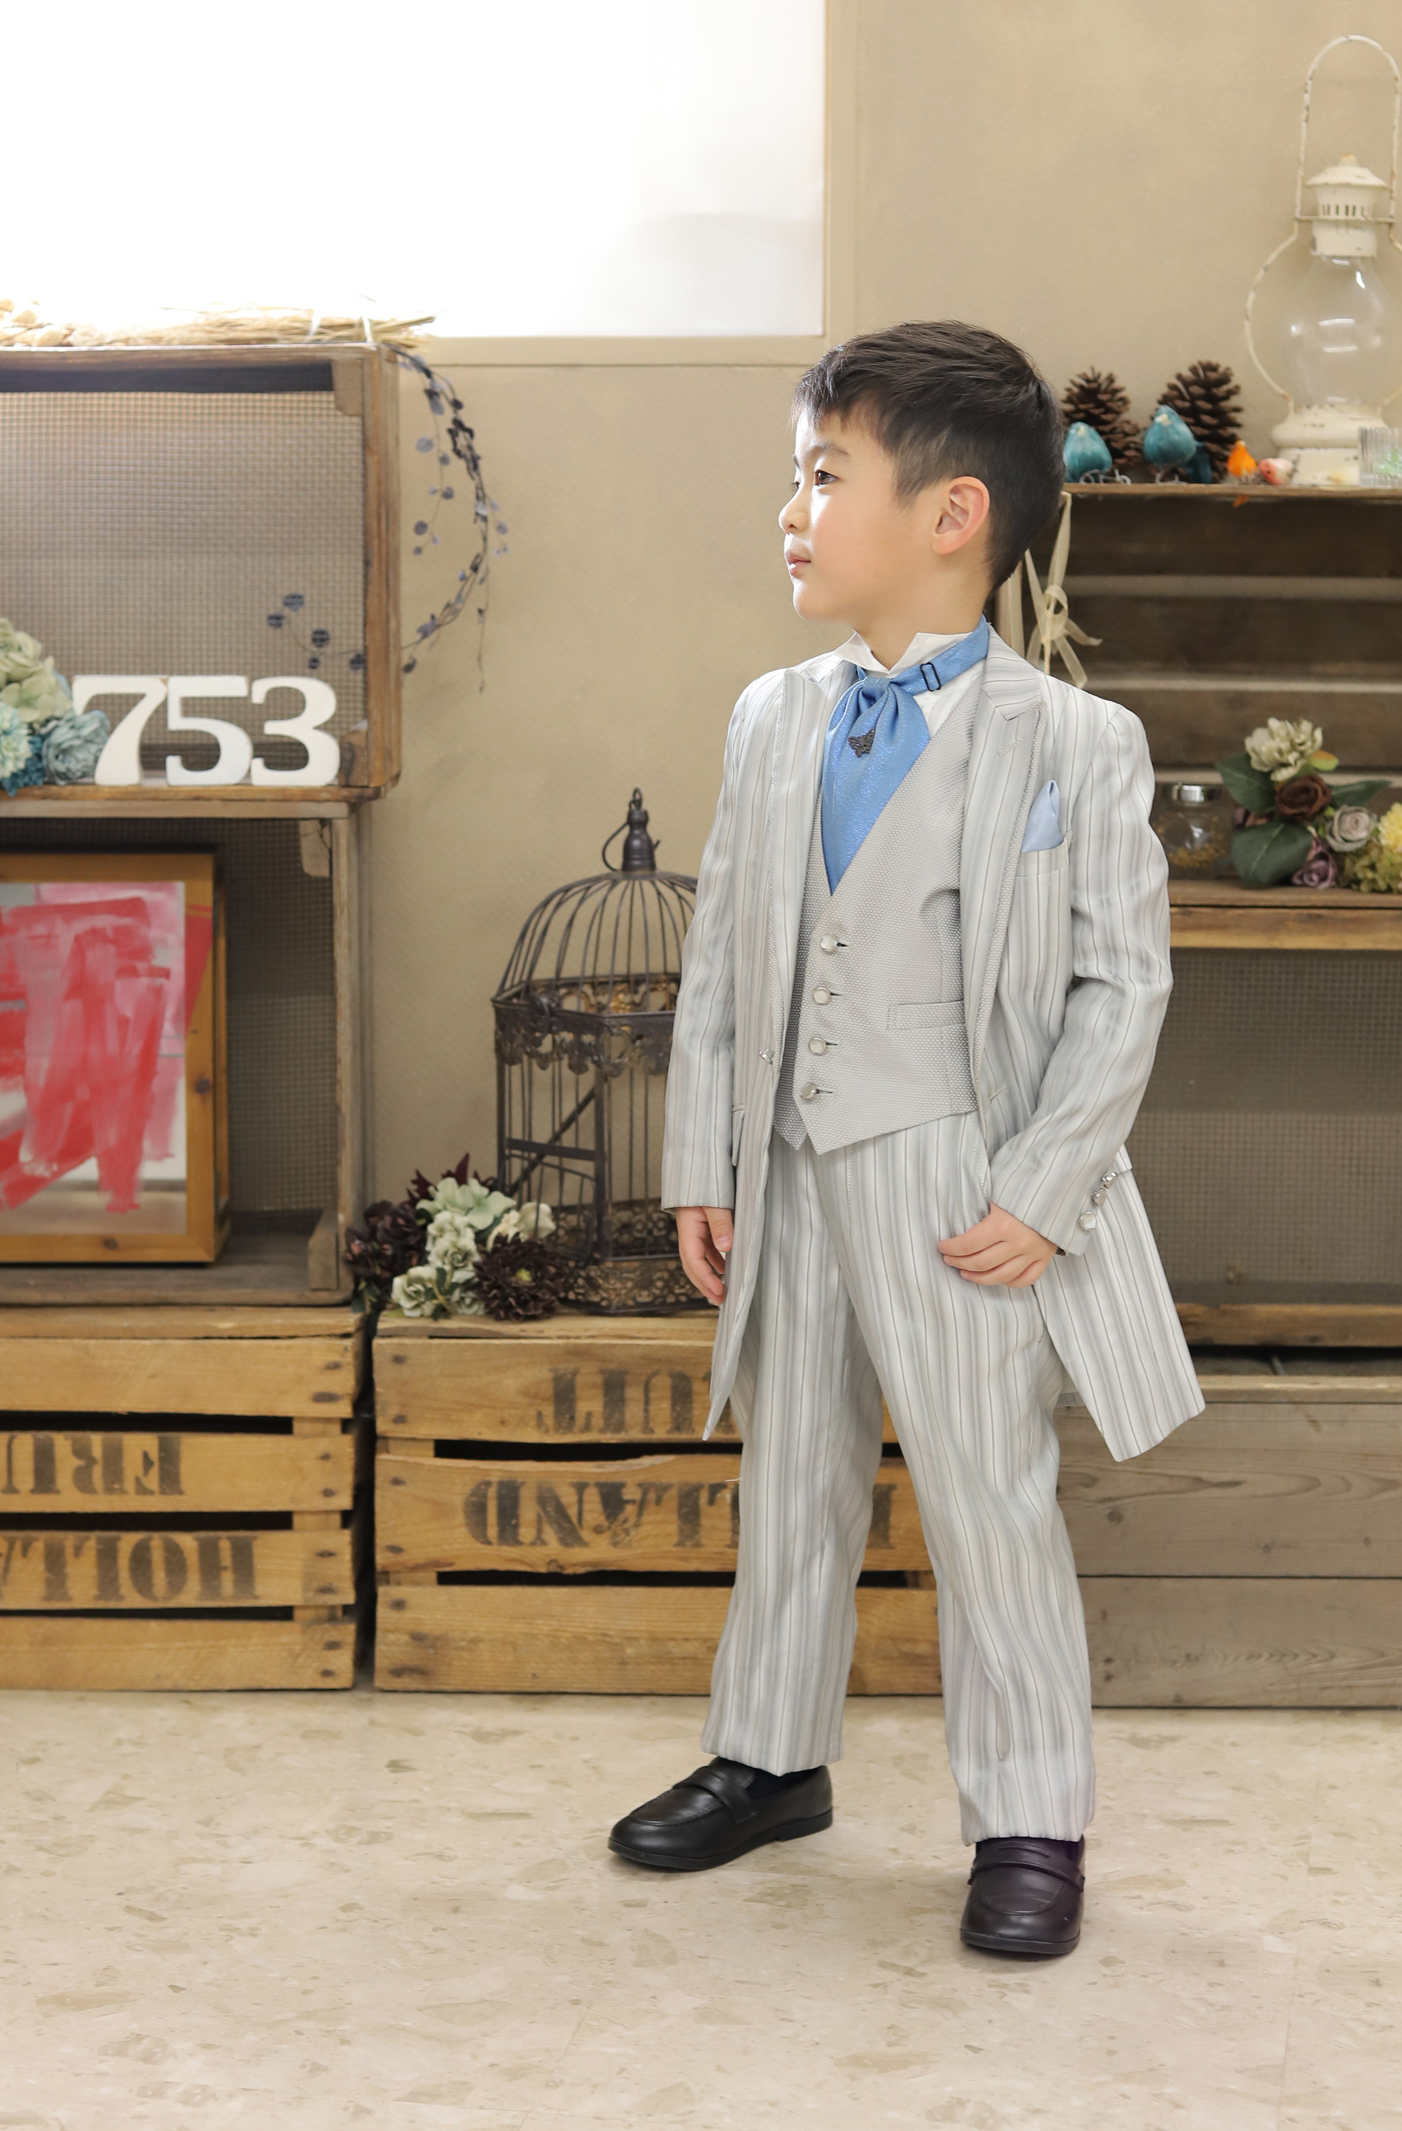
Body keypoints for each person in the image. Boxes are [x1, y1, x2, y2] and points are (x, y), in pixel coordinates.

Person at [607, 321, 1203, 1958]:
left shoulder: (1076, 743)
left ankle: (1029, 1816)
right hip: (793, 1169)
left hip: (961, 1180)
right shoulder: (771, 717)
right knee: (792, 1470)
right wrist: (706, 1159)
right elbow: (728, 958)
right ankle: (769, 1755)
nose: (790, 510)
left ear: (952, 515)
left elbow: (1122, 987)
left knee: (986, 1495)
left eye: (822, 475)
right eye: (794, 477)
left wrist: (1046, 1190)